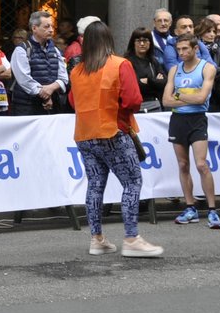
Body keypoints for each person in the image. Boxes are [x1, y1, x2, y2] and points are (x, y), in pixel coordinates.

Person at [69, 19, 162, 258]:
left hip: (85, 135)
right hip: (113, 131)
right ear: (109, 39)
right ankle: (131, 238)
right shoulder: (120, 64)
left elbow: (72, 101)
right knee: (132, 182)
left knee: (95, 185)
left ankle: (97, 238)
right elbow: (133, 101)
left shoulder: (77, 71)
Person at [164, 34, 220, 228]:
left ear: (195, 49)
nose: (181, 53)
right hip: (178, 119)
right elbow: (166, 100)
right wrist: (188, 96)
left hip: (197, 119)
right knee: (182, 164)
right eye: (178, 49)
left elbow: (201, 99)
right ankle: (190, 207)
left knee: (202, 164)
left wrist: (178, 94)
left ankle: (212, 210)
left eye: (185, 49)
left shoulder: (207, 67)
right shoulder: (174, 70)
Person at [9, 9, 68, 115]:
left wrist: (51, 88)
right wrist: (45, 95)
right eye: (46, 27)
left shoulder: (55, 50)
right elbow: (24, 80)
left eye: (52, 26)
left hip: (51, 106)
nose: (51, 30)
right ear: (34, 28)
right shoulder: (22, 50)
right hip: (26, 106)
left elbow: (64, 78)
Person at [125, 27, 167, 112]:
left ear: (150, 43)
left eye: (145, 40)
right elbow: (134, 85)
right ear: (133, 43)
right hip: (136, 107)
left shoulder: (153, 61)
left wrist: (148, 80)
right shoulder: (127, 62)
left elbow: (164, 82)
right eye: (138, 41)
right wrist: (155, 81)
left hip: (154, 105)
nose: (142, 44)